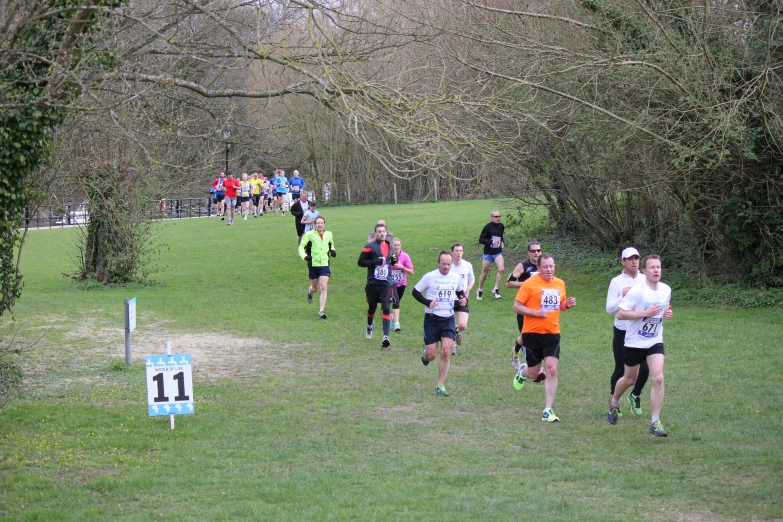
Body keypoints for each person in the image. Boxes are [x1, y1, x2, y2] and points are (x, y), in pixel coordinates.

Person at [607, 255, 673, 437]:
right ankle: (614, 401)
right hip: (635, 342)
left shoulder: (666, 289)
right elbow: (621, 314)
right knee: (629, 380)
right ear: (644, 271)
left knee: (658, 378)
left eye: (658, 267)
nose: (656, 270)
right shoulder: (637, 291)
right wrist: (644, 313)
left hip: (654, 340)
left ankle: (655, 421)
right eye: (652, 268)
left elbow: (664, 306)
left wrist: (667, 311)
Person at [512, 253, 576, 422]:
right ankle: (522, 371)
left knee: (551, 369)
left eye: (552, 266)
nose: (549, 269)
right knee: (533, 373)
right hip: (531, 333)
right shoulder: (529, 284)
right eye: (546, 267)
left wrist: (566, 305)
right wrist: (536, 313)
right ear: (538, 268)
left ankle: (548, 410)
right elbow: (516, 307)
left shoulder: (559, 283)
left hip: (552, 332)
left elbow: (559, 305)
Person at [413, 251, 467, 397]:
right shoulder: (429, 277)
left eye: (449, 264)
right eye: (444, 264)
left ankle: (440, 385)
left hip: (448, 319)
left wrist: (462, 300)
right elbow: (415, 292)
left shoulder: (455, 278)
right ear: (438, 263)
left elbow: (460, 293)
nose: (446, 267)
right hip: (432, 319)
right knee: (431, 355)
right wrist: (427, 302)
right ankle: (425, 355)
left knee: (446, 351)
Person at [606, 247, 648, 417]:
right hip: (622, 331)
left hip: (641, 331)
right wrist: (622, 297)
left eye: (636, 258)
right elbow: (609, 309)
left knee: (645, 368)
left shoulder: (645, 279)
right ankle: (614, 402)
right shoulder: (617, 281)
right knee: (621, 369)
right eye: (630, 259)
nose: (634, 262)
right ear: (623, 261)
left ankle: (635, 394)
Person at [508, 241, 545, 382]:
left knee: (535, 337)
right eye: (533, 251)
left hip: (540, 308)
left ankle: (517, 351)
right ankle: (533, 368)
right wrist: (526, 284)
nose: (536, 253)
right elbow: (509, 283)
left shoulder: (544, 266)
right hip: (524, 308)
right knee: (527, 337)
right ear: (528, 253)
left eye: (539, 250)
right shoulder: (523, 266)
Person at [357, 223, 395, 349]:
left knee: (386, 307)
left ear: (387, 233)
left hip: (386, 283)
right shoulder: (369, 247)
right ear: (375, 234)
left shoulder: (390, 246)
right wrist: (375, 262)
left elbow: (391, 260)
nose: (382, 233)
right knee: (372, 308)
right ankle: (369, 325)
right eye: (379, 231)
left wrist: (393, 260)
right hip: (373, 283)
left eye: (384, 231)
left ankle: (385, 337)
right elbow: (360, 262)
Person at [299, 216, 335, 319]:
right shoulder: (309, 235)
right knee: (315, 288)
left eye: (321, 223)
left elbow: (331, 244)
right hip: (313, 264)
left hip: (324, 263)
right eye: (318, 223)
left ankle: (321, 311)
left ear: (324, 224)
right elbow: (301, 247)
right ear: (315, 225)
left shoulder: (329, 234)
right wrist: (305, 257)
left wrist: (333, 250)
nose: (320, 224)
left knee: (323, 287)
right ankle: (310, 292)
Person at [448, 243, 475, 355]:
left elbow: (471, 279)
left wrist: (468, 289)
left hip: (462, 298)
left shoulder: (467, 265)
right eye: (456, 251)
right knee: (450, 323)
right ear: (452, 252)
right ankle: (452, 346)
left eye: (460, 251)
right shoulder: (448, 265)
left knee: (463, 325)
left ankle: (457, 331)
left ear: (463, 252)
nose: (458, 253)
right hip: (450, 298)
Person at [477, 210, 505, 300]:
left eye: (499, 216)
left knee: (502, 269)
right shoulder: (487, 227)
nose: (498, 218)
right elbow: (481, 239)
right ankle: (480, 289)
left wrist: (502, 242)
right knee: (485, 273)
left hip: (497, 252)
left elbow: (501, 236)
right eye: (496, 216)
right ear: (492, 217)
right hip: (488, 253)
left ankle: (496, 289)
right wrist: (491, 242)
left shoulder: (501, 226)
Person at [390, 238, 414, 332]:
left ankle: (392, 317)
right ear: (392, 246)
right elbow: (391, 264)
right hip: (391, 283)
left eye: (398, 245)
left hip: (402, 283)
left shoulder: (405, 256)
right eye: (395, 245)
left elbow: (411, 271)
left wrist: (402, 267)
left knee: (397, 301)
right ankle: (397, 324)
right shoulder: (390, 255)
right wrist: (393, 258)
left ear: (401, 245)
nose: (396, 247)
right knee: (395, 301)